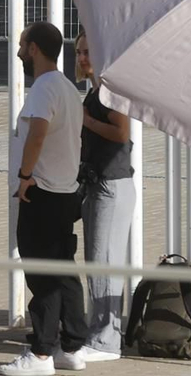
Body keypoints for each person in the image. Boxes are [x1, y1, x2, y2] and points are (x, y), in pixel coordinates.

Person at [0, 22, 88, 376]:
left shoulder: (44, 88)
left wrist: (24, 177)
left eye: (22, 45)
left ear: (34, 48)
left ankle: (40, 354)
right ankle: (72, 346)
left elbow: (36, 135)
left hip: (43, 192)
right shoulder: (67, 88)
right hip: (64, 192)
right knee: (63, 269)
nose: (19, 51)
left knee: (42, 273)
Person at [74, 30, 131, 363]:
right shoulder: (96, 90)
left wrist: (86, 121)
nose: (83, 58)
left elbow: (121, 132)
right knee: (99, 261)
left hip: (112, 183)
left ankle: (107, 341)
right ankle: (101, 332)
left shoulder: (108, 90)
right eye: (80, 52)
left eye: (89, 52)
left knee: (103, 262)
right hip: (101, 183)